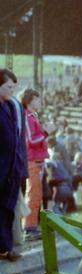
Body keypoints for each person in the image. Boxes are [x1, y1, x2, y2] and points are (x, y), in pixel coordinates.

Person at [22, 89, 55, 241]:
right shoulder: (27, 117)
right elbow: (32, 141)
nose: (40, 102)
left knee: (37, 195)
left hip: (38, 161)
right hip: (32, 161)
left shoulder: (33, 116)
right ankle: (29, 229)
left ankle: (33, 225)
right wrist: (46, 132)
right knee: (33, 195)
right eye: (37, 99)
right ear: (29, 100)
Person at [0, 69, 26, 261]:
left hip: (11, 168)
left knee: (8, 209)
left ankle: (5, 248)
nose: (12, 91)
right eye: (8, 87)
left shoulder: (10, 106)